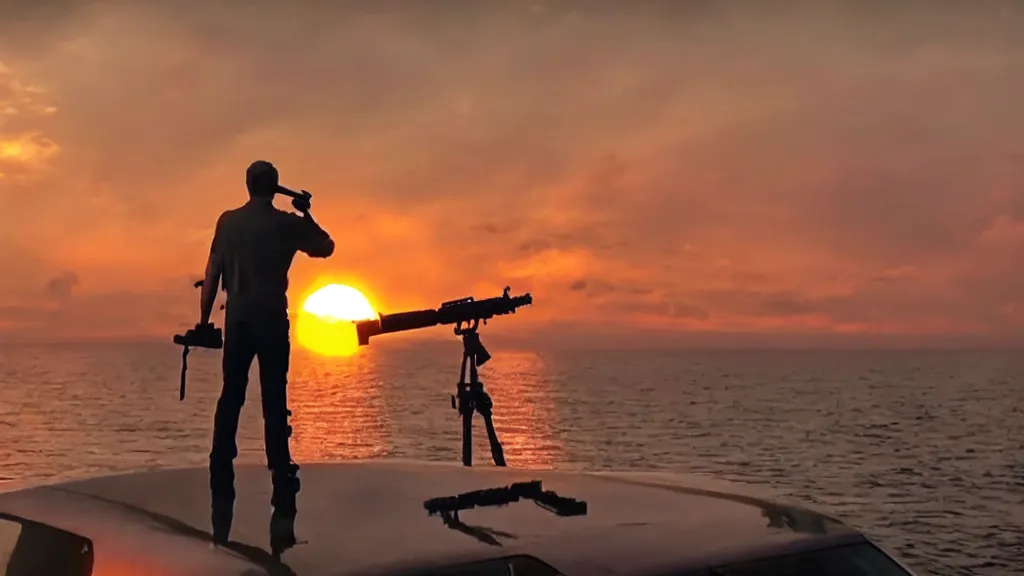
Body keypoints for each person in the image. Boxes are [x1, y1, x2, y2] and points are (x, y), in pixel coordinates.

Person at [197, 160, 335, 553]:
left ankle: (221, 457)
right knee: (275, 400)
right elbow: (326, 246)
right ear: (274, 188)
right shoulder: (286, 225)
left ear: (247, 186)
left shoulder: (227, 222)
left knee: (232, 394)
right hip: (272, 321)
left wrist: (204, 320)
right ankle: (279, 468)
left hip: (238, 321)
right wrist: (305, 213)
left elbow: (213, 272)